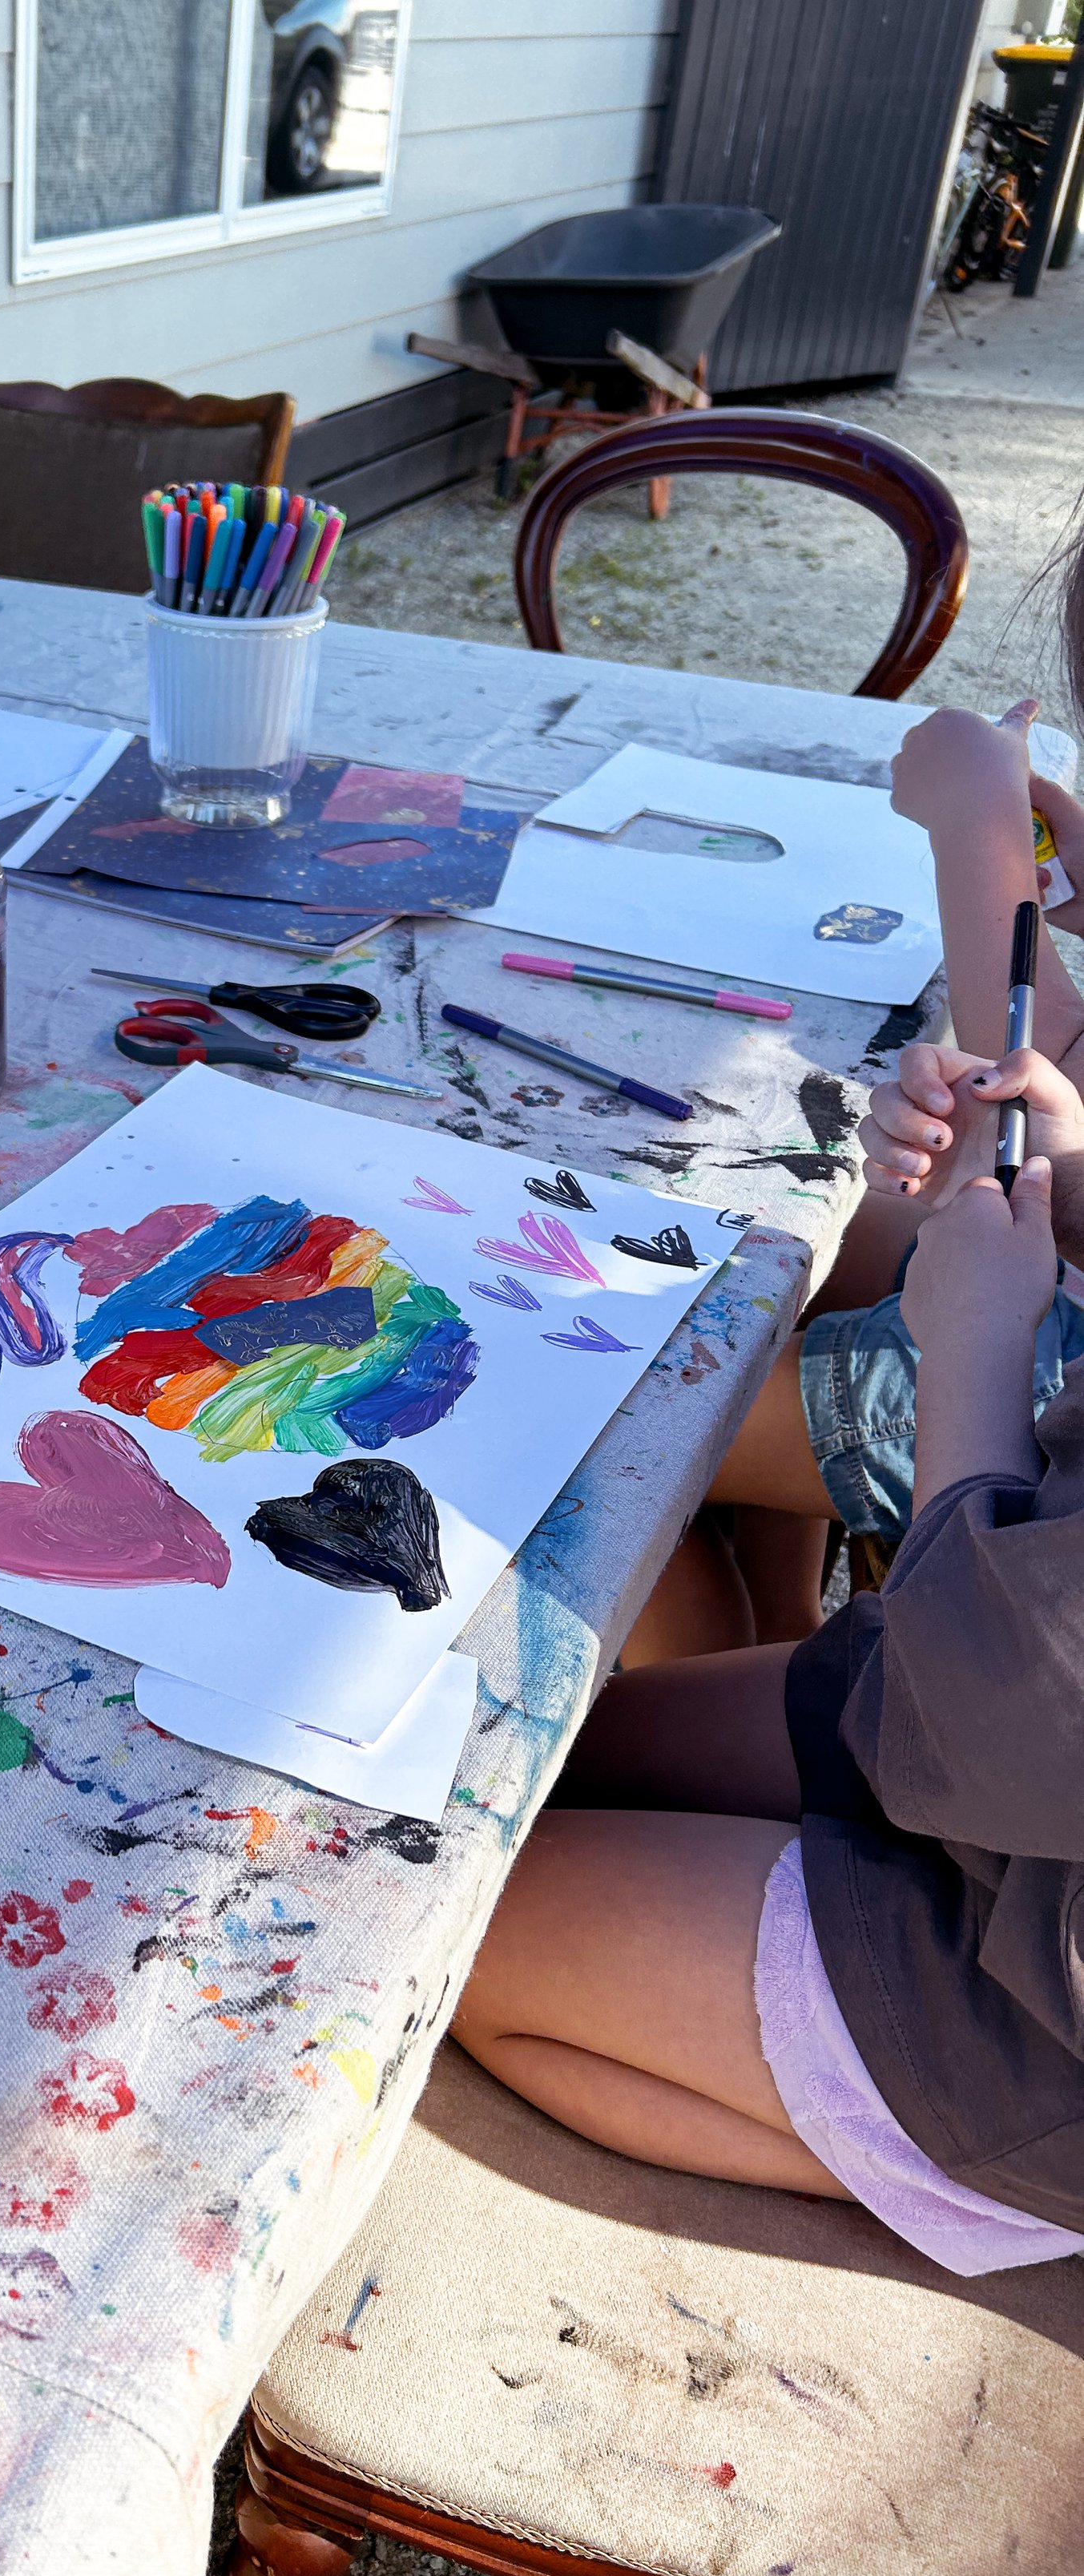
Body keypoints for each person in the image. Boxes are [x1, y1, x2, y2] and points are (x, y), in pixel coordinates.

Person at [449, 686, 1084, 2272]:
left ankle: (982, 2183)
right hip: (988, 1698)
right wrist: (1057, 1178)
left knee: (447, 1943)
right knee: (527, 1775)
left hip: (1027, 1982)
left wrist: (978, 1352)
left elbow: (1005, 1704)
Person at [624, 698, 1084, 1662]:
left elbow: (1038, 1040)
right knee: (792, 1236)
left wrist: (975, 825)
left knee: (623, 1424)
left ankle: (714, 1700)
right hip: (1050, 1269)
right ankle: (786, 1614)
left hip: (1037, 1376)